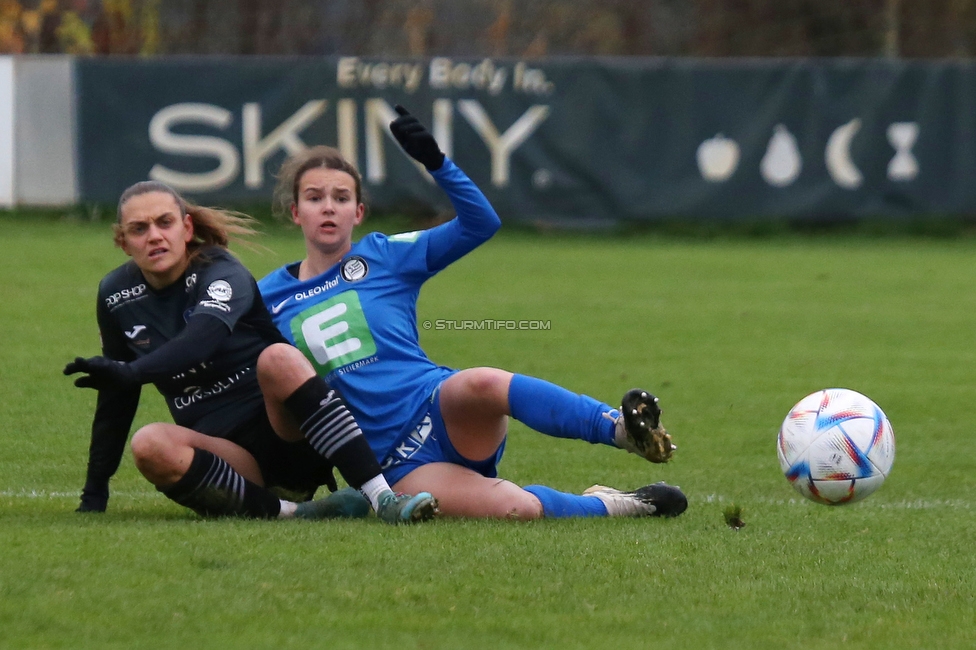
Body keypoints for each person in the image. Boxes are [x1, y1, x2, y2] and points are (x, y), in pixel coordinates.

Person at [256, 105, 687, 520]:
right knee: (516, 509)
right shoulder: (266, 297)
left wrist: (437, 162)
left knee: (482, 381)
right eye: (315, 197)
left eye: (341, 197)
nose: (328, 206)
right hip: (393, 463)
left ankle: (621, 430)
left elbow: (481, 223)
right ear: (296, 212)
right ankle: (622, 504)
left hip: (439, 406)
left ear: (358, 211)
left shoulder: (386, 255)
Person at [64, 180, 438, 523]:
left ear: (187, 228)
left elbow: (202, 338)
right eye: (139, 229)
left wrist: (132, 372)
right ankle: (297, 513)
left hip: (288, 442)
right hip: (227, 457)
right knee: (148, 444)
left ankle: (382, 498)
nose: (155, 236)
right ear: (123, 242)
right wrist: (95, 489)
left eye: (165, 223)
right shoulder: (115, 295)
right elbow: (117, 393)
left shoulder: (221, 271)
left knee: (278, 358)